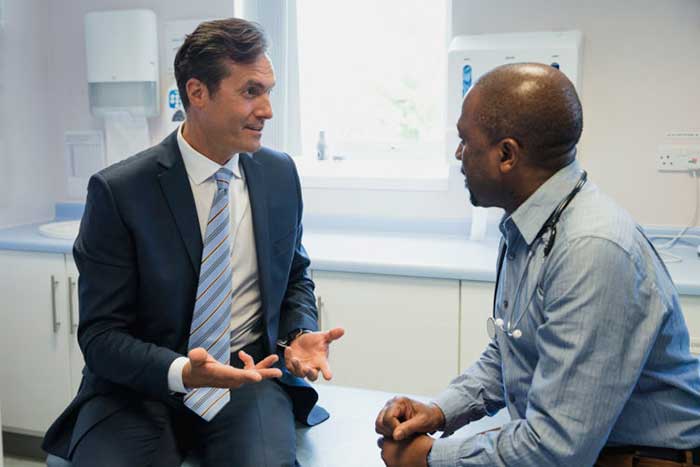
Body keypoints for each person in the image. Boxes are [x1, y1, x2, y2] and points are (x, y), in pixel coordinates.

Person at [42, 18, 343, 467]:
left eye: (269, 91)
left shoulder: (279, 175)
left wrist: (298, 334)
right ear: (197, 93)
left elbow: (295, 273)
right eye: (250, 92)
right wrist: (183, 371)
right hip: (137, 390)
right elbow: (101, 335)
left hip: (246, 376)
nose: (267, 110)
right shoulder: (120, 192)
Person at [375, 63, 700, 467]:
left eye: (464, 141)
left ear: (506, 154)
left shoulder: (591, 251)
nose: (458, 154)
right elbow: (511, 353)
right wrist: (440, 411)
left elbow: (555, 449)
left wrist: (428, 459)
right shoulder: (530, 224)